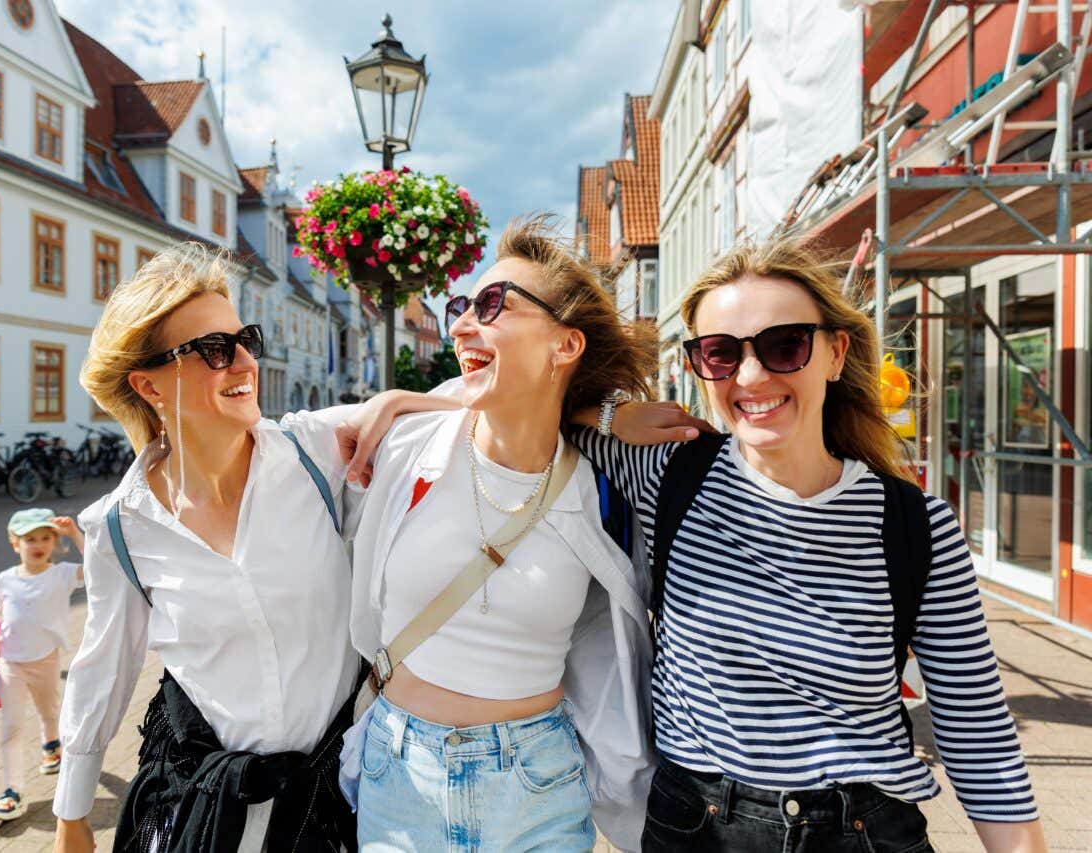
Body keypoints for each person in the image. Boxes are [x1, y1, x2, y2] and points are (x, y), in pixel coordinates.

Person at [570, 239, 1047, 852]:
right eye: (719, 353)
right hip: (698, 827)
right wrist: (610, 417)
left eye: (784, 345)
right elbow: (522, 407)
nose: (750, 375)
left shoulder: (914, 525)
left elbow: (975, 727)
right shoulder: (668, 475)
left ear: (835, 353)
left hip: (861, 831)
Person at [52, 243, 452, 853]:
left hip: (339, 793)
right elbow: (102, 668)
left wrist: (604, 414)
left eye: (246, 340)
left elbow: (481, 413)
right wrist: (72, 817)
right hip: (209, 804)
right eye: (214, 350)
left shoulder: (316, 453)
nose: (243, 362)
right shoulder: (120, 528)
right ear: (148, 384)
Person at [342, 216, 700, 852]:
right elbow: (254, 448)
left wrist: (606, 412)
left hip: (539, 781)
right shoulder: (402, 446)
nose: (459, 325)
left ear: (565, 346)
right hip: (398, 772)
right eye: (461, 307)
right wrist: (396, 399)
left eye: (491, 304)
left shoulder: (605, 484)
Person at [0, 507, 85, 821]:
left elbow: (100, 568)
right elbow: (3, 610)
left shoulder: (62, 574)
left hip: (45, 660)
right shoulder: (6, 578)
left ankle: (51, 743)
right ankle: (12, 792)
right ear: (14, 543)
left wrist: (75, 534)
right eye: (30, 538)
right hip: (10, 663)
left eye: (46, 537)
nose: (39, 544)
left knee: (49, 711)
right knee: (12, 728)